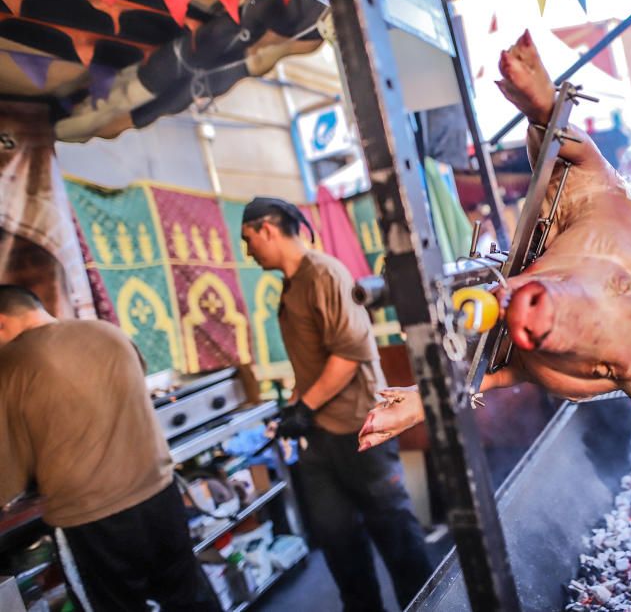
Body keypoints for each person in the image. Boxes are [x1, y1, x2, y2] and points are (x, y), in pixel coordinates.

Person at [240, 197, 432, 611]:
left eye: (249, 239)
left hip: (362, 429)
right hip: (320, 438)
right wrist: (294, 407)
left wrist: (304, 407)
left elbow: (349, 355)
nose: (248, 250)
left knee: (396, 539)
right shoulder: (292, 285)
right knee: (339, 545)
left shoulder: (325, 273)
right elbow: (313, 362)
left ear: (268, 229)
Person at [0, 285, 221, 612]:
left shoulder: (13, 361)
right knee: (187, 598)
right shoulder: (109, 332)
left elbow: (8, 466)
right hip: (159, 495)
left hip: (95, 519)